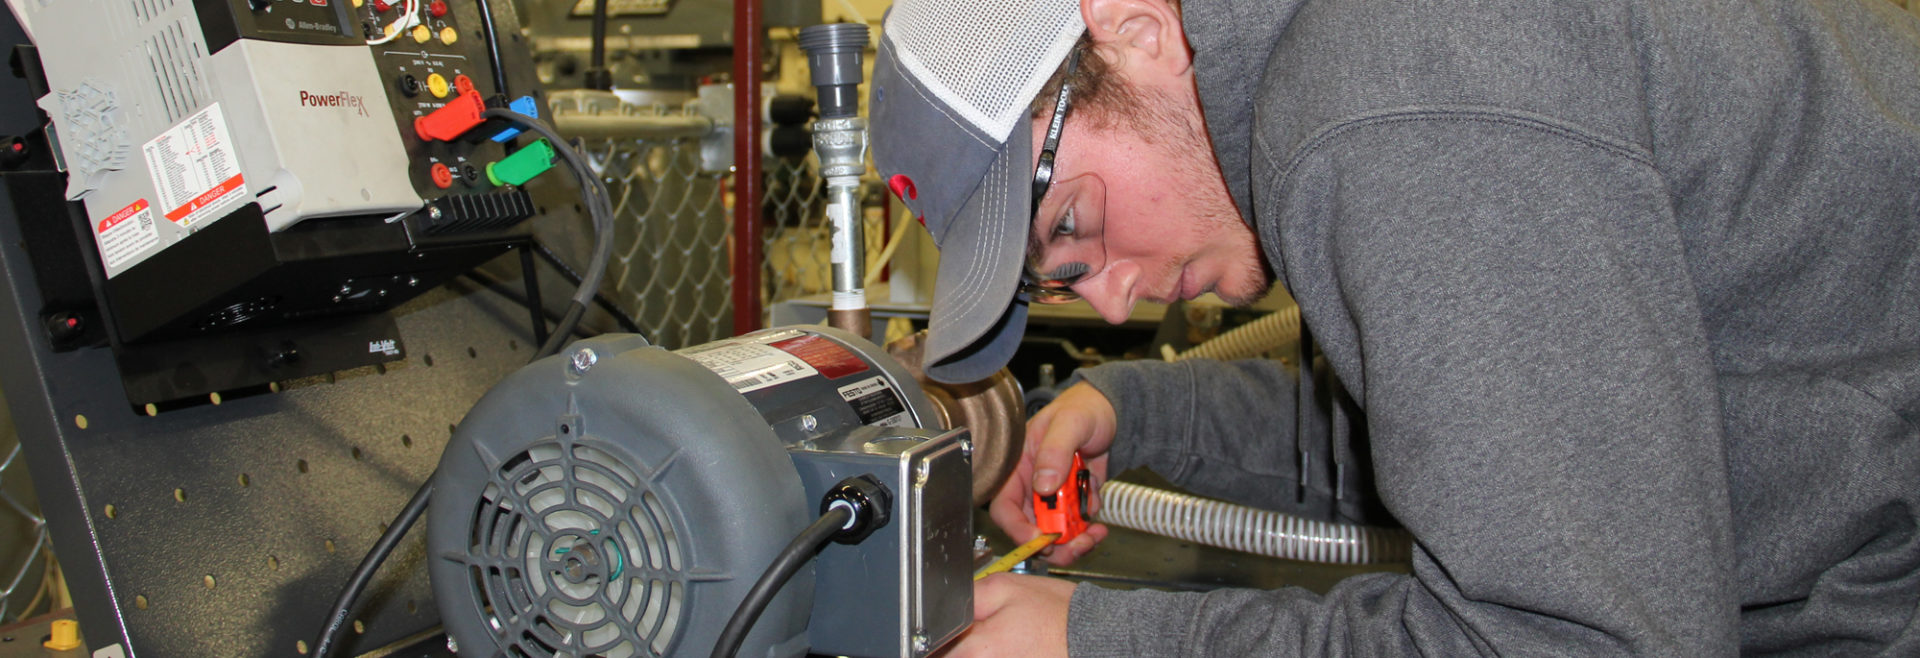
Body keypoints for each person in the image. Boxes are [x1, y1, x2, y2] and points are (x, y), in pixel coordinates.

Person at [866, 0, 1920, 654]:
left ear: (1136, 26)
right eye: (1056, 282)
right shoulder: (1362, 57)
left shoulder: (1387, 111)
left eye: (1074, 228)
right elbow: (1456, 448)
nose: (1105, 302)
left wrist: (1095, 642)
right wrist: (1130, 409)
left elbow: (1579, 642)